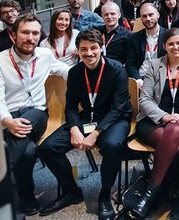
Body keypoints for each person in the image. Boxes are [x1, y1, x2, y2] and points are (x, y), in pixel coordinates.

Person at [39, 29, 132, 219]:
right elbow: (71, 106)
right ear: (78, 51)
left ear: (101, 47)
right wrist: (74, 128)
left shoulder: (116, 70)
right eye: (84, 49)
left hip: (114, 119)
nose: (89, 53)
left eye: (93, 48)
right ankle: (71, 190)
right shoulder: (74, 72)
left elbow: (118, 108)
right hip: (86, 118)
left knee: (112, 145)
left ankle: (104, 195)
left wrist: (95, 133)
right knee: (48, 147)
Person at [0, 14, 70, 216]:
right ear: (14, 35)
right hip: (10, 119)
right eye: (25, 32)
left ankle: (0, 178)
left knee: (31, 116)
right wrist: (8, 121)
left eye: (35, 33)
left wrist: (95, 73)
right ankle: (25, 196)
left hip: (38, 115)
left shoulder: (45, 55)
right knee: (27, 153)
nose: (31, 37)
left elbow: (66, 71)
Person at [127, 28, 179, 218]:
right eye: (171, 44)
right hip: (153, 121)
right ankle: (168, 184)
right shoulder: (154, 65)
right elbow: (145, 100)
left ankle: (151, 192)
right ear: (164, 46)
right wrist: (164, 116)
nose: (175, 47)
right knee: (176, 148)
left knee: (175, 131)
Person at [126, 3, 166, 86]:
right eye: (144, 16)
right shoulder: (134, 38)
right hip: (141, 78)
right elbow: (130, 64)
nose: (148, 19)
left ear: (158, 15)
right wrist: (138, 80)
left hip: (162, 78)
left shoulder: (168, 36)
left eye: (151, 15)